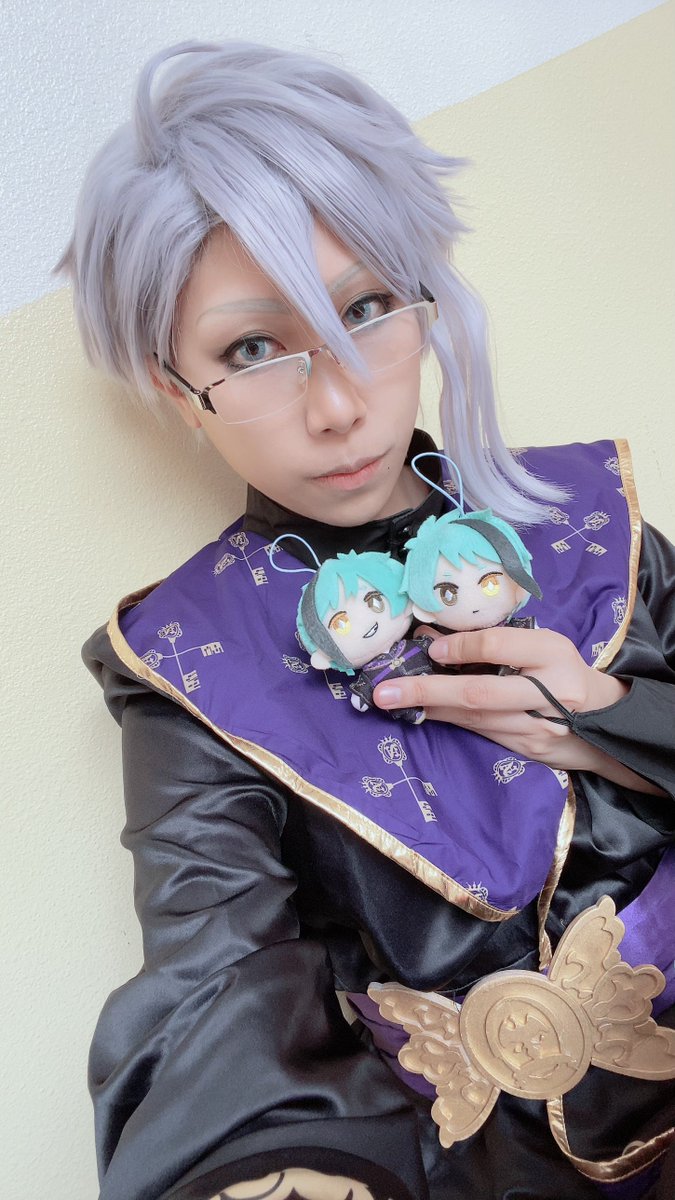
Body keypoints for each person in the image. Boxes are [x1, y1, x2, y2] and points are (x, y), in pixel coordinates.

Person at [58, 39, 675, 1200]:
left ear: (426, 305)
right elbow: (215, 979)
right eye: (252, 348)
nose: (339, 403)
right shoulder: (190, 661)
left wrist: (614, 720)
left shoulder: (596, 520)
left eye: (367, 308)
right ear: (174, 389)